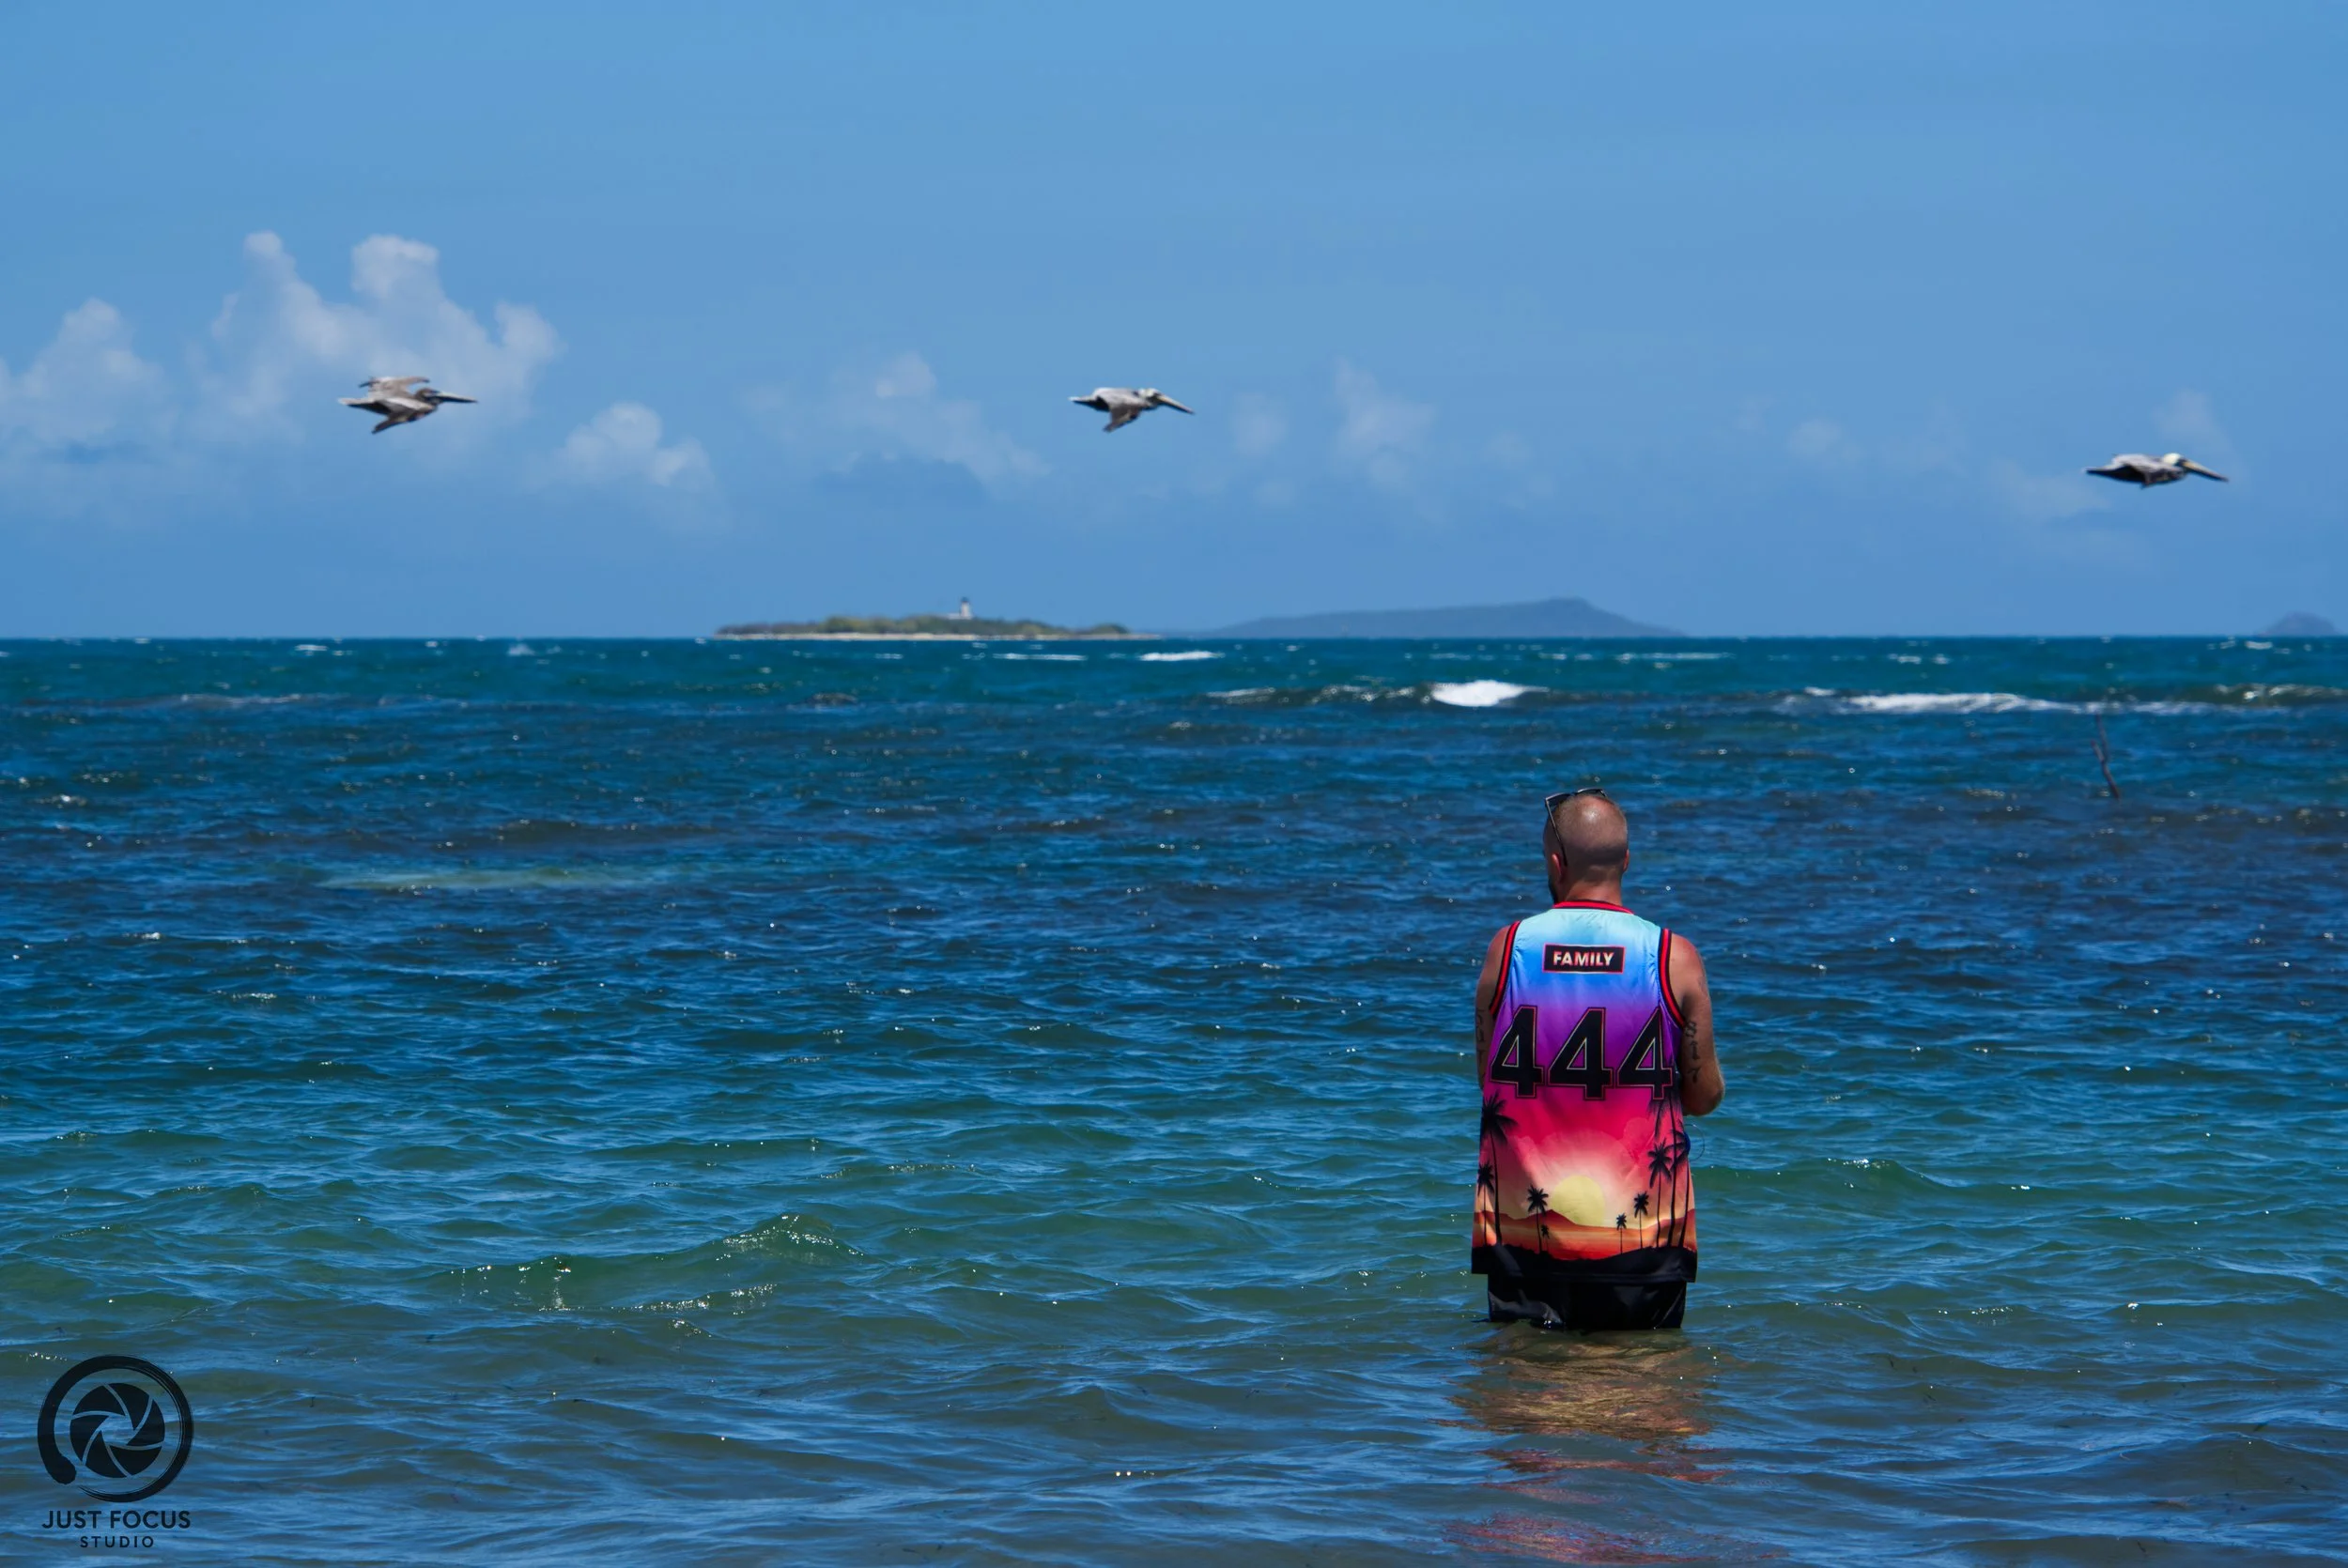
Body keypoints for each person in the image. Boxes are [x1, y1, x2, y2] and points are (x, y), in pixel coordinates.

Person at [1472, 787, 1725, 1330]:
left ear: (1555, 862)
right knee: (1639, 1379)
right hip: (1644, 1240)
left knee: (1525, 1377)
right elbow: (1704, 1096)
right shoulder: (1672, 956)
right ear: (1626, 861)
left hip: (1523, 1235)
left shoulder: (1508, 948)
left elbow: (1489, 1080)